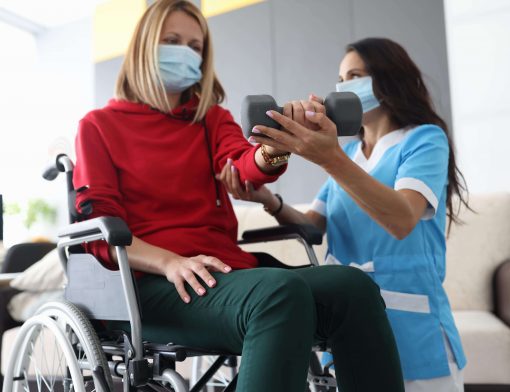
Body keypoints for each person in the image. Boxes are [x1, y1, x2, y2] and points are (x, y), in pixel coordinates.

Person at [72, 2, 404, 391]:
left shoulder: (210, 119)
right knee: (279, 292)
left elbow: (244, 164)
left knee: (353, 288)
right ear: (145, 46)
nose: (186, 53)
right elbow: (100, 234)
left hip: (225, 274)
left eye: (196, 46)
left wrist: (278, 144)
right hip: (150, 283)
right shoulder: (98, 127)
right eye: (173, 41)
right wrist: (170, 262)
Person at [221, 37, 468, 391]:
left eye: (355, 75)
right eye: (340, 78)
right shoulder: (349, 152)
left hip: (412, 328)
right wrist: (267, 201)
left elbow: (402, 219)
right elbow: (313, 226)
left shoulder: (424, 140)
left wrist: (328, 157)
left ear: (388, 79)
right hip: (348, 320)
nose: (343, 86)